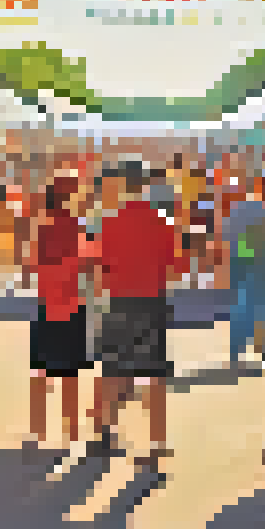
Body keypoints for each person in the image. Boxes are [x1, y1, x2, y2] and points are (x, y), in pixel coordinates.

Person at [90, 164, 180, 464]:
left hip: (119, 301)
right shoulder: (162, 221)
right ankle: (157, 443)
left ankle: (106, 434)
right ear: (145, 185)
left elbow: (100, 267)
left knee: (113, 370)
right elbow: (174, 267)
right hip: (152, 302)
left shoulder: (110, 222)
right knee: (155, 374)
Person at [27, 175, 92, 447]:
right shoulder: (75, 226)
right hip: (72, 304)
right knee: (69, 373)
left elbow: (31, 264)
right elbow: (85, 261)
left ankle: (37, 430)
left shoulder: (42, 227)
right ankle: (71, 430)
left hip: (47, 304)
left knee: (40, 370)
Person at [223, 176, 265, 372]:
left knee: (242, 308)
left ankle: (236, 354)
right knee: (259, 309)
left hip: (240, 264)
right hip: (257, 264)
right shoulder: (262, 211)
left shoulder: (238, 211)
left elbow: (229, 239)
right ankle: (263, 353)